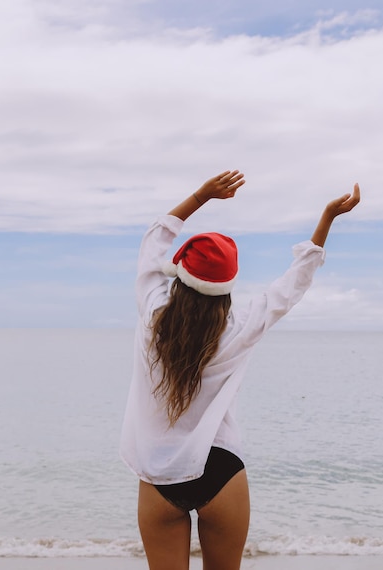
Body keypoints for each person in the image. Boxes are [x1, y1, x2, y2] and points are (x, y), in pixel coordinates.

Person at [120, 169, 360, 570]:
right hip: (221, 471)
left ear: (180, 275)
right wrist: (327, 220)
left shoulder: (152, 315)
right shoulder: (238, 329)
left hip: (160, 475)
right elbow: (291, 286)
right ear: (226, 287)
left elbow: (152, 242)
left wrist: (201, 196)